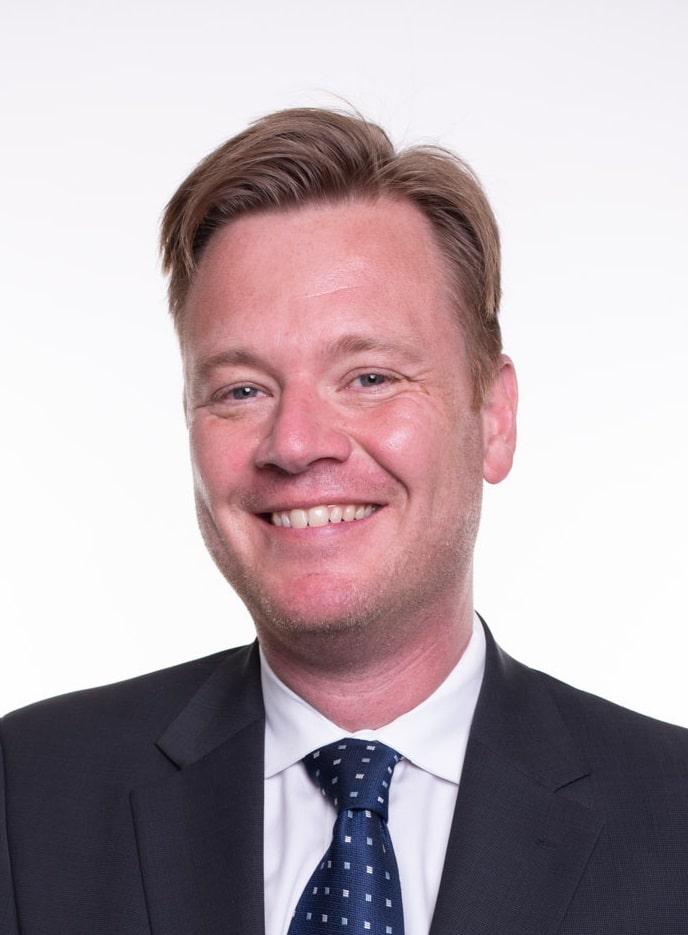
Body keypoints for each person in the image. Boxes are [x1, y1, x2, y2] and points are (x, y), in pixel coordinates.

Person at [1, 107, 686, 935]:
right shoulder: (26, 799)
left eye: (369, 377)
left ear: (494, 417)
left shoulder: (672, 819)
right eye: (241, 389)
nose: (295, 444)